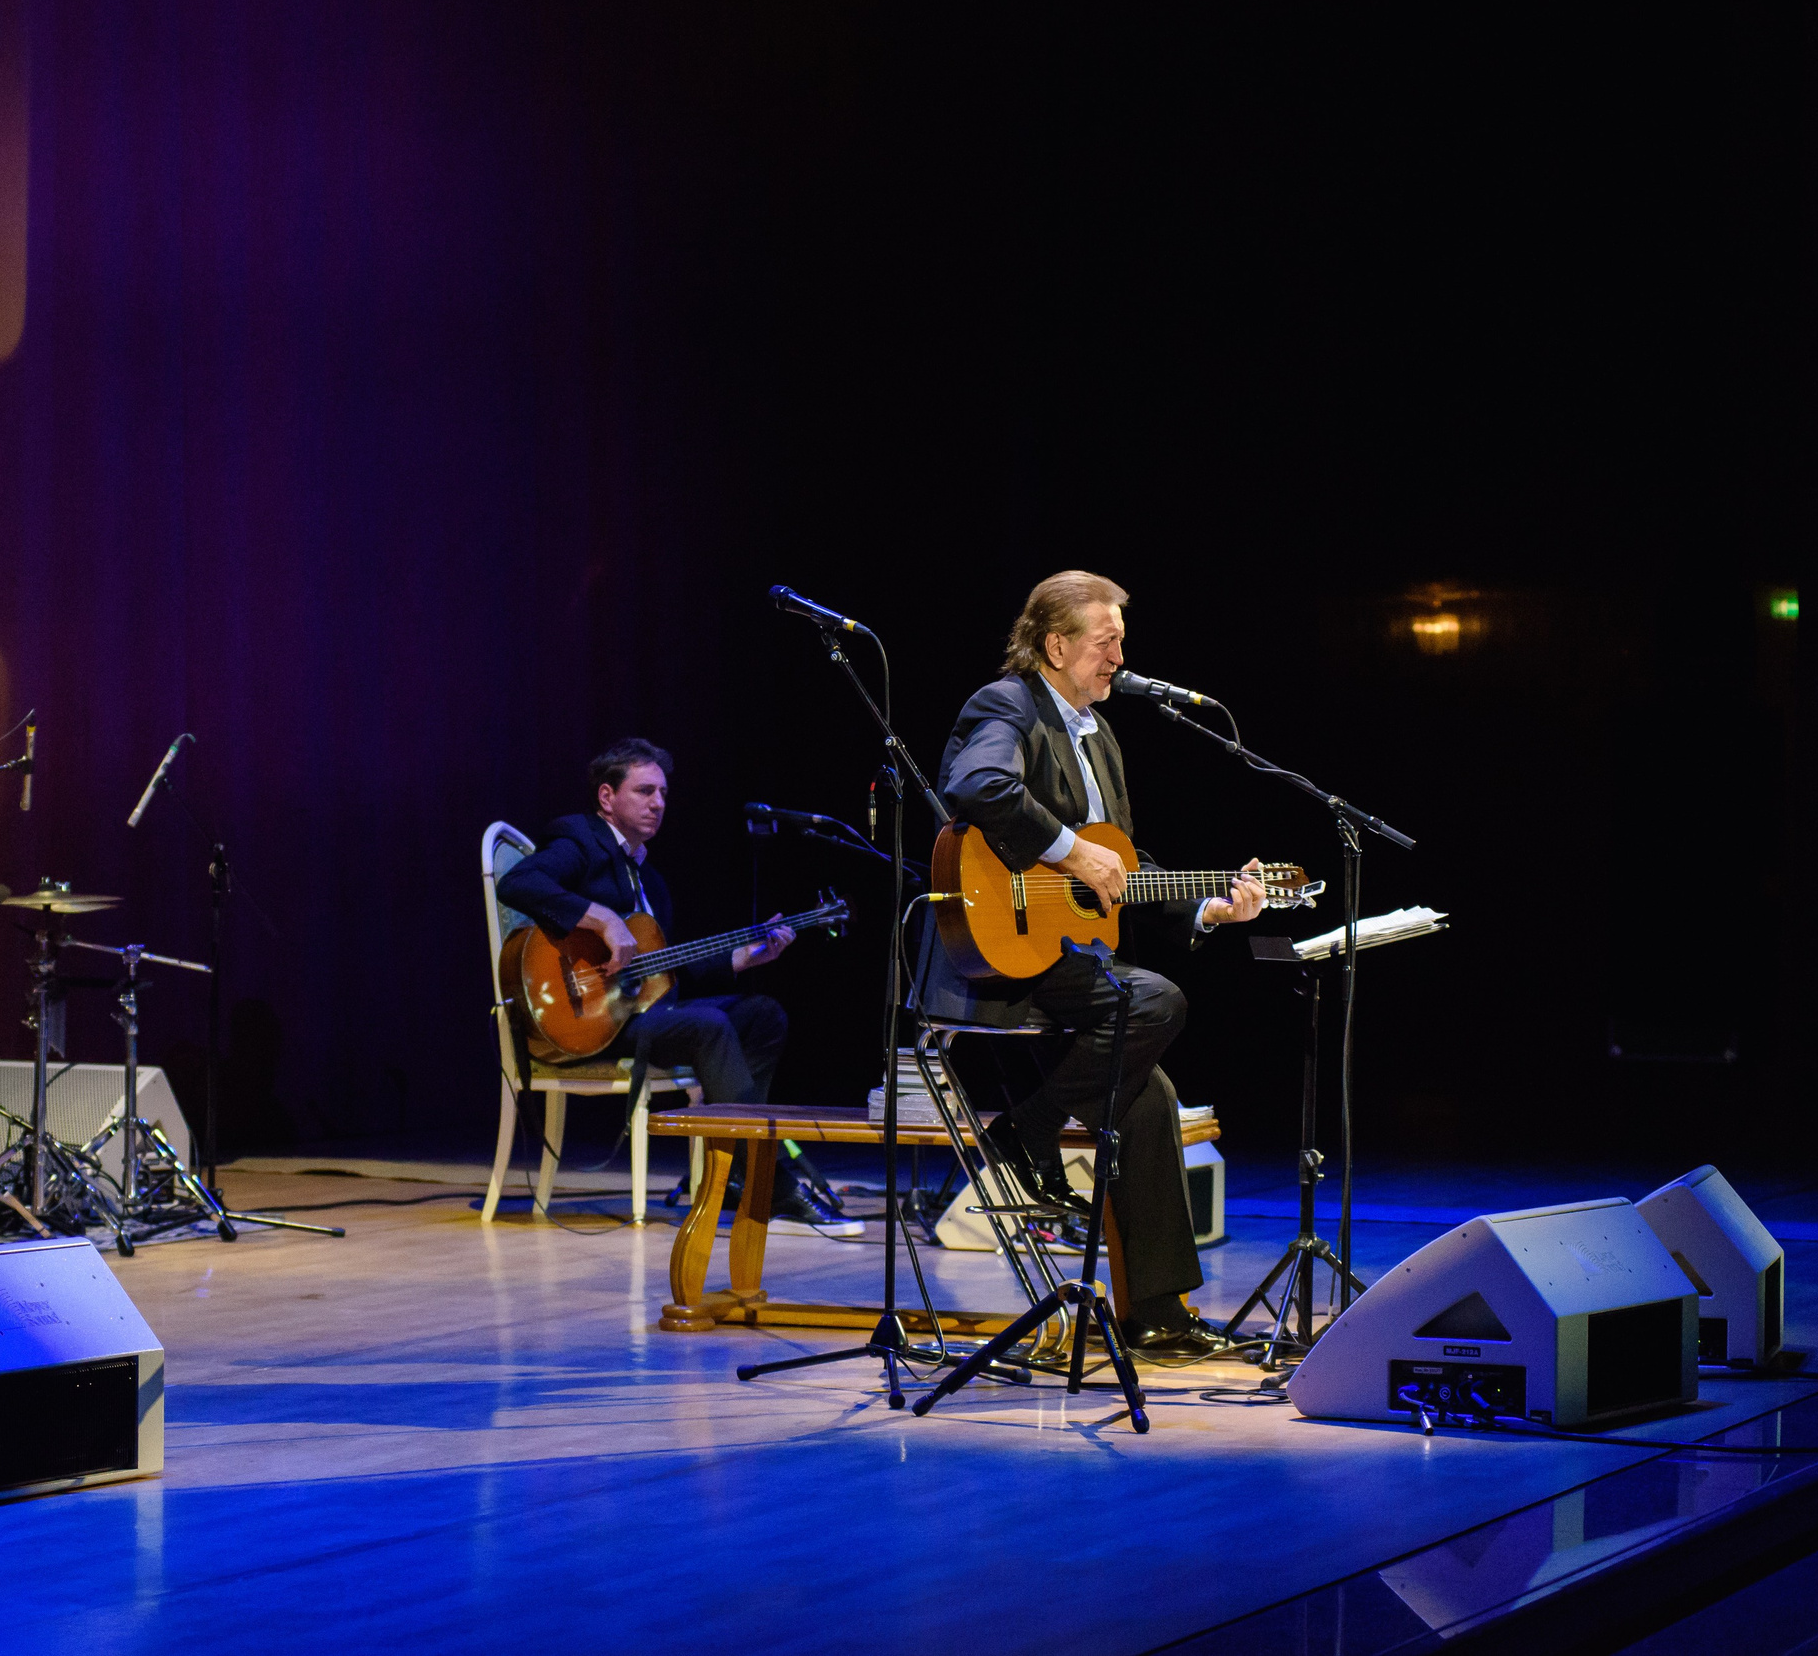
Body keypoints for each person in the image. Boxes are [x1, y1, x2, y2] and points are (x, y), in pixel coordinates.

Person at [911, 570, 1267, 1360]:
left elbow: (1120, 867)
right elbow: (978, 783)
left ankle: (1158, 1316)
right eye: (1106, 641)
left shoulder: (1098, 735)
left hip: (1068, 962)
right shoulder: (1007, 703)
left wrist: (1208, 906)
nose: (1118, 657)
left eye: (1120, 641)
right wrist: (1070, 851)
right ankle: (1024, 1135)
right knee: (1158, 1000)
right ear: (1055, 644)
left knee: (1149, 1093)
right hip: (997, 958)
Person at [498, 737, 852, 1232]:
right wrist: (602, 918)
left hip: (635, 1015)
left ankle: (736, 1172)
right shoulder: (579, 839)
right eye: (645, 791)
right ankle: (770, 1183)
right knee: (707, 1026)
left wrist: (748, 957)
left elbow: (665, 972)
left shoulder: (651, 882)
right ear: (606, 797)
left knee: (762, 1015)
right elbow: (517, 883)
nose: (658, 803)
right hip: (584, 1020)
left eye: (663, 793)